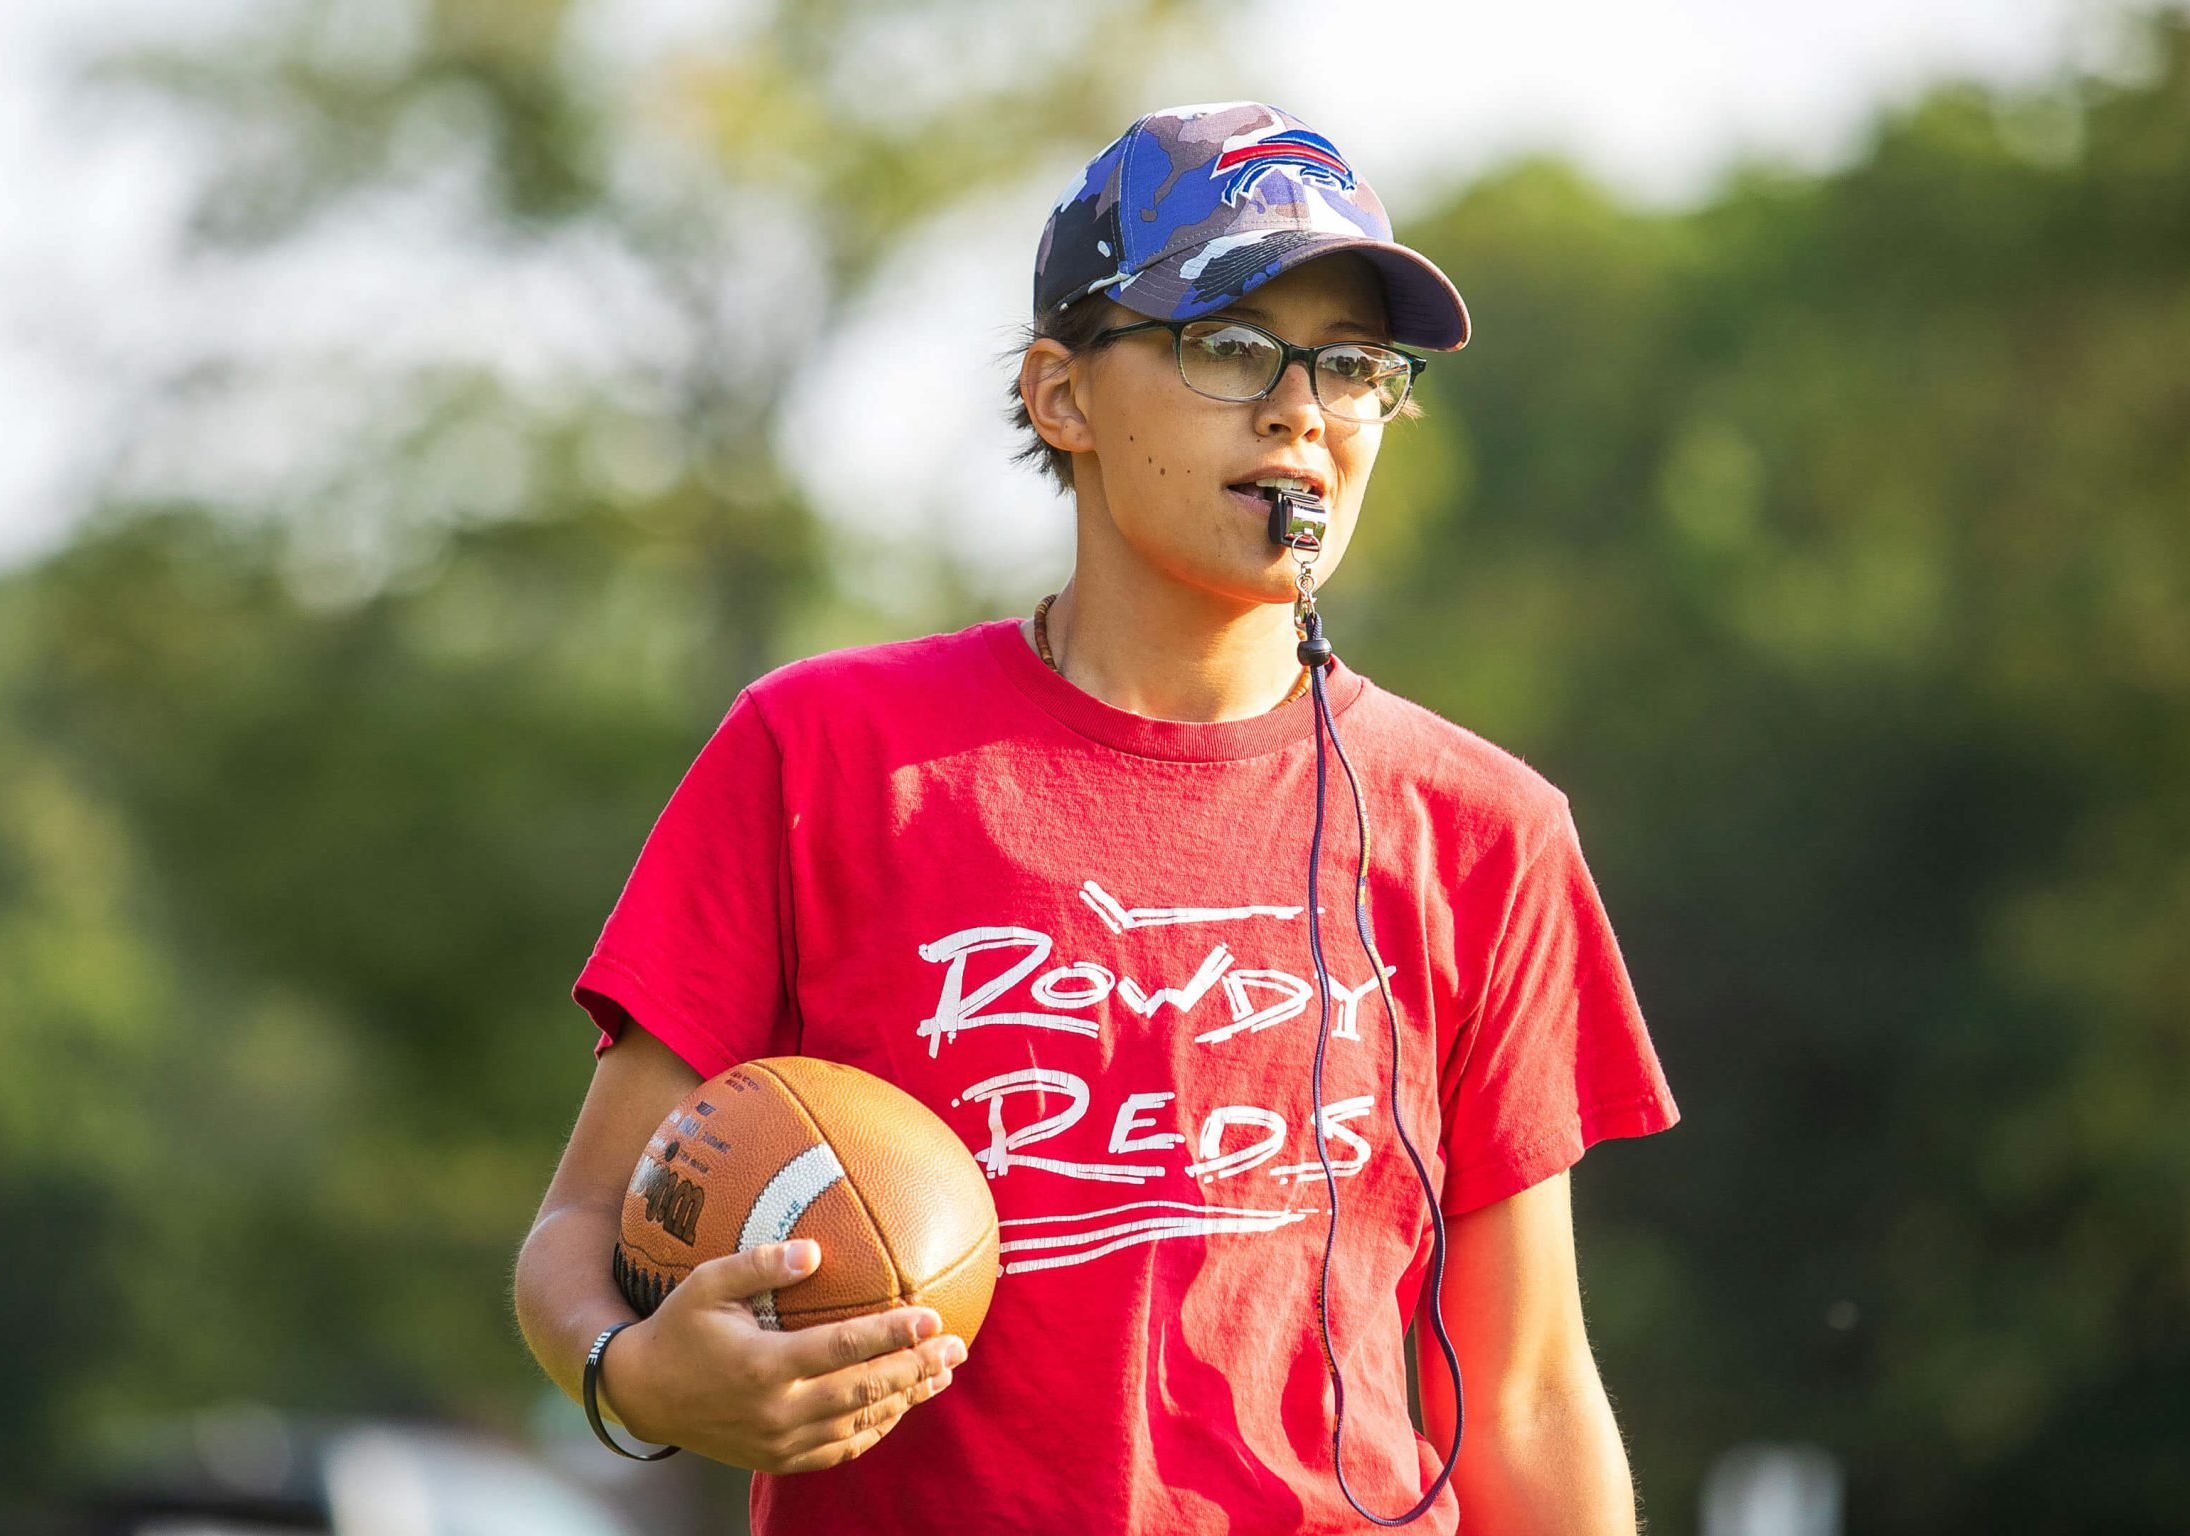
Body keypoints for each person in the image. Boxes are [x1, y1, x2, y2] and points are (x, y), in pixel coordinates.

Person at [513, 101, 1679, 1535]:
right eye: (1231, 344)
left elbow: (1527, 1395)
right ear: (1062, 395)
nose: (1301, 407)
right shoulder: (823, 755)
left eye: (1353, 365)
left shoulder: (1484, 830)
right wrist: (634, 1381)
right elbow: (579, 1231)